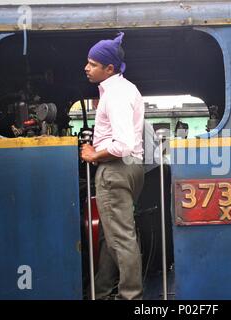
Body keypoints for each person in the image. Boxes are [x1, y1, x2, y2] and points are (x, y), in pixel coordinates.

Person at [81, 32, 145, 300]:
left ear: (109, 68)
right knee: (114, 234)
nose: (87, 68)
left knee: (120, 237)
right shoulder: (127, 88)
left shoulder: (115, 94)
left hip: (115, 169)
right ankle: (102, 291)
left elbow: (123, 145)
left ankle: (131, 297)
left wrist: (94, 155)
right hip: (132, 169)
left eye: (93, 64)